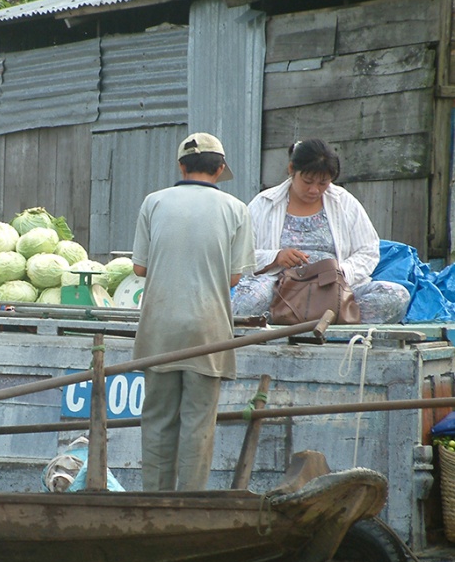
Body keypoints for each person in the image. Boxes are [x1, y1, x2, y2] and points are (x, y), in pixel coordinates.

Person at [131, 132, 256, 492]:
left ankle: (154, 502)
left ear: (182, 167)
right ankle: (189, 505)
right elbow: (234, 276)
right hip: (208, 328)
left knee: (156, 419)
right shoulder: (236, 209)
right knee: (199, 423)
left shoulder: (153, 202)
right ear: (219, 170)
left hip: (159, 326)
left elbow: (139, 269)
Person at [231, 139, 410, 324]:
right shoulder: (264, 203)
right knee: (247, 303)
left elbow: (369, 250)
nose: (314, 190)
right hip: (280, 288)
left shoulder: (344, 202)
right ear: (292, 169)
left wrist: (340, 271)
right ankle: (307, 317)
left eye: (323, 183)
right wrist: (276, 257)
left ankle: (299, 320)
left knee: (397, 296)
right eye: (307, 181)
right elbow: (241, 256)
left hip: (335, 287)